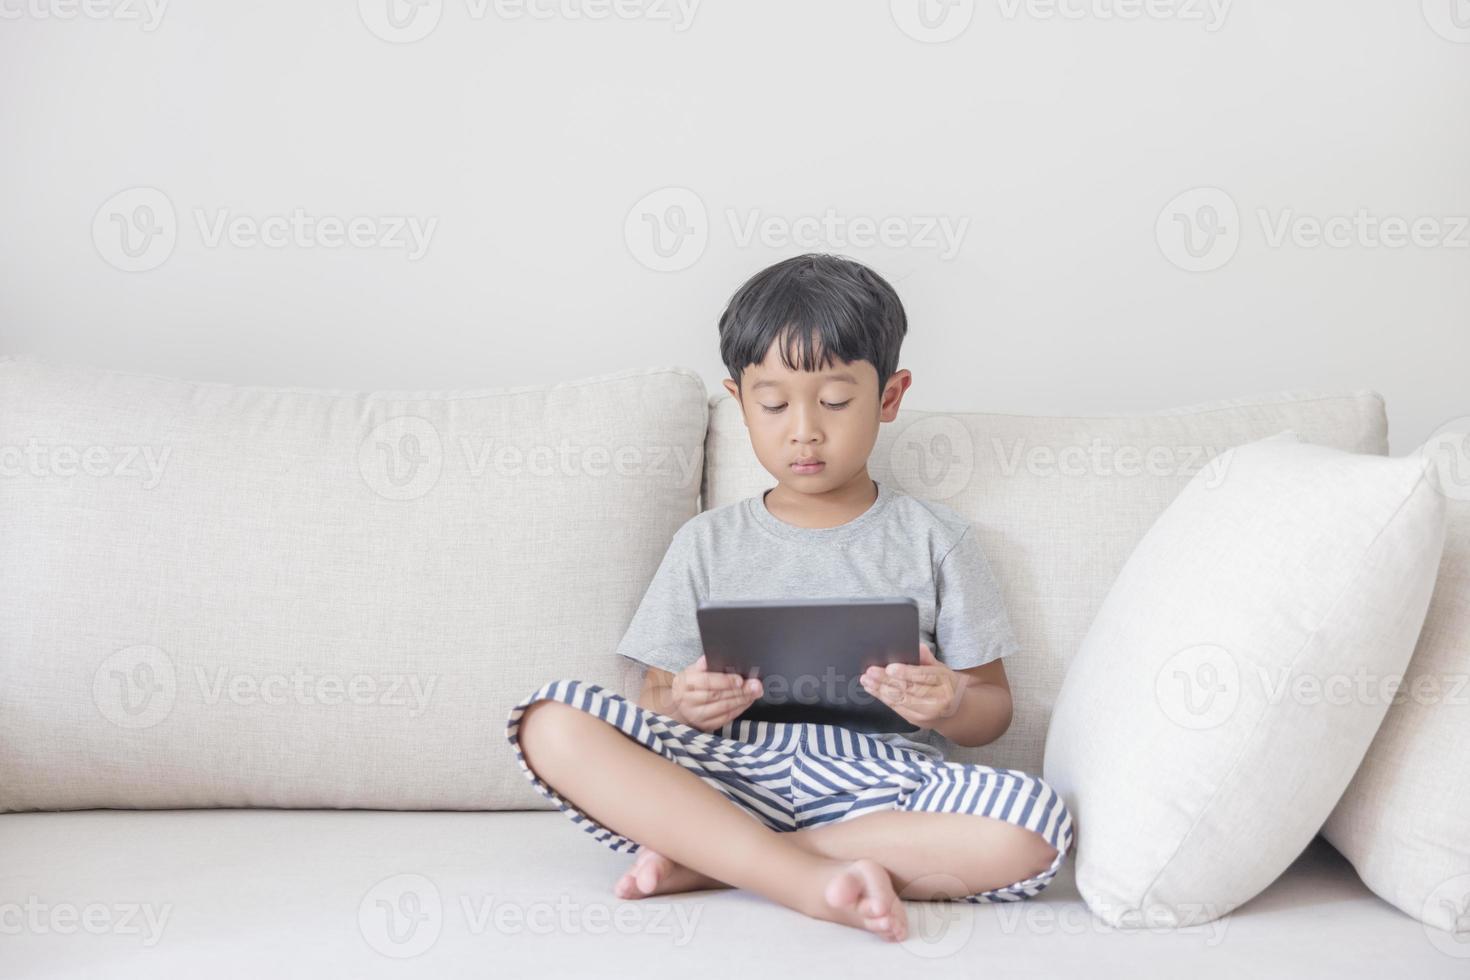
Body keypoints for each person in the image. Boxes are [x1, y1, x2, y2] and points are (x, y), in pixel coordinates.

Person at [505, 253, 1073, 942]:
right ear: (740, 399)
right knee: (549, 720)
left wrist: (950, 699)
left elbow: (991, 711)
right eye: (773, 403)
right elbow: (654, 696)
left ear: (890, 398)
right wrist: (685, 704)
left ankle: (732, 863)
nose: (804, 428)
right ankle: (793, 874)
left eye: (835, 401)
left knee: (1037, 825)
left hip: (883, 789)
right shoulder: (706, 543)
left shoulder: (935, 538)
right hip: (728, 776)